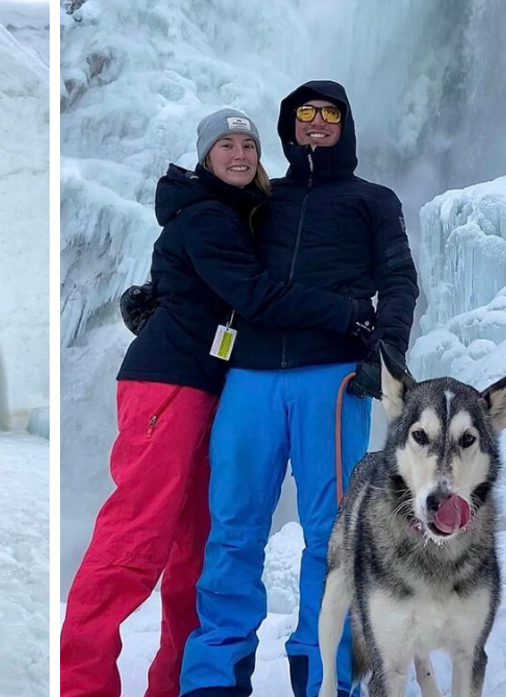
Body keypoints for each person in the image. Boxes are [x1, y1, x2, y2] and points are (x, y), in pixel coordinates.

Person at [61, 108, 377, 697]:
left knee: (196, 549)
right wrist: (349, 314)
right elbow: (251, 295)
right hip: (169, 386)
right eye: (225, 145)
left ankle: (178, 683)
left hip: (214, 389)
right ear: (205, 156)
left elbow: (197, 287)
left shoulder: (234, 213)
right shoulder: (207, 215)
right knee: (136, 538)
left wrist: (157, 295)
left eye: (248, 145)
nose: (239, 154)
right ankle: (80, 684)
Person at [179, 81, 420, 697]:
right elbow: (215, 265)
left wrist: (386, 357)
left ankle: (323, 674)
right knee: (232, 527)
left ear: (345, 124)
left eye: (329, 113)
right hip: (250, 377)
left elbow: (397, 280)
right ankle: (213, 678)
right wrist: (161, 304)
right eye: (304, 114)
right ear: (288, 128)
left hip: (332, 378)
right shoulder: (262, 200)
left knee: (330, 535)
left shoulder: (373, 200)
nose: (316, 123)